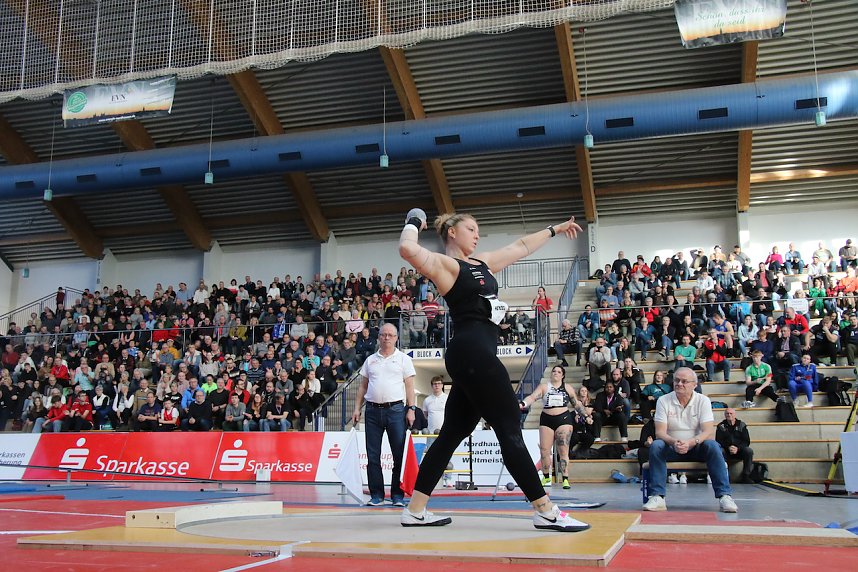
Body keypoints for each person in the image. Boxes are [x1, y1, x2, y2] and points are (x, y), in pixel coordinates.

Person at [396, 211, 589, 531]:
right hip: (473, 354)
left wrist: (555, 229)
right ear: (453, 233)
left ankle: (415, 510)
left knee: (449, 436)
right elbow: (407, 248)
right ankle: (545, 510)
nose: (477, 235)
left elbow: (521, 246)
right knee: (509, 427)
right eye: (471, 229)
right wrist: (415, 221)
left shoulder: (482, 263)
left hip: (473, 357)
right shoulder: (446, 266)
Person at [642, 367, 737, 513]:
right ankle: (657, 497)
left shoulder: (703, 400)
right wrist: (674, 442)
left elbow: (708, 431)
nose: (679, 384)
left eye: (684, 381)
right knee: (656, 445)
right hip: (672, 447)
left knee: (712, 445)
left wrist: (691, 442)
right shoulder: (663, 400)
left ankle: (725, 496)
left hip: (697, 446)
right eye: (676, 380)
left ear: (694, 384)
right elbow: (660, 432)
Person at [351, 323, 417, 508]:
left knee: (398, 455)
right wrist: (357, 408)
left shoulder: (404, 359)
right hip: (372, 411)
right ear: (378, 337)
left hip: (396, 411)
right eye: (383, 335)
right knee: (373, 456)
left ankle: (397, 495)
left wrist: (411, 408)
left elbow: (410, 386)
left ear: (396, 338)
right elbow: (363, 386)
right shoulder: (370, 360)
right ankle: (377, 495)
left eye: (390, 335)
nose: (387, 338)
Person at [520, 365, 593, 489]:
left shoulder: (567, 388)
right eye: (554, 371)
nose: (555, 373)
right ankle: (546, 476)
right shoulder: (544, 387)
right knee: (544, 450)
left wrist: (586, 416)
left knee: (563, 450)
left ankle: (565, 478)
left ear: (562, 375)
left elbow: (576, 404)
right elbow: (533, 397)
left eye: (559, 372)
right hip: (547, 419)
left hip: (563, 419)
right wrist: (523, 403)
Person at [716, 408, 755, 484]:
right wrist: (728, 447)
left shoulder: (741, 425)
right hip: (726, 451)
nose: (729, 415)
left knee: (749, 451)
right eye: (727, 413)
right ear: (725, 415)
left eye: (731, 413)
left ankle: (746, 476)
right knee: (719, 451)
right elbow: (719, 441)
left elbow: (746, 441)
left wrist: (738, 448)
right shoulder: (721, 426)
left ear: (735, 415)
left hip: (740, 451)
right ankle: (725, 476)